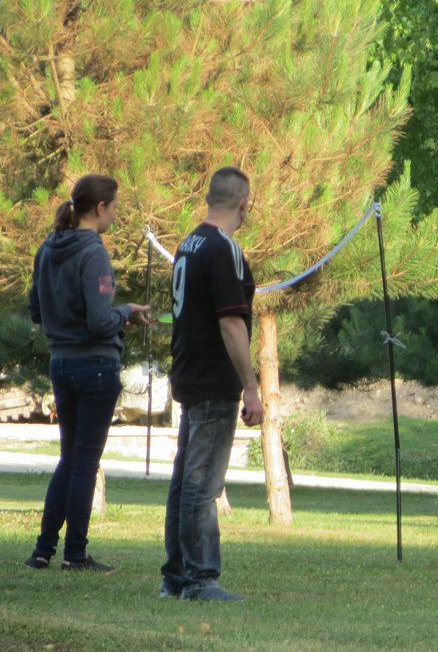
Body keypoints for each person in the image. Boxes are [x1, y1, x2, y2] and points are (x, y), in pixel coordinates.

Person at [24, 174, 152, 572]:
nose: (115, 215)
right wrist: (124, 312)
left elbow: (36, 310)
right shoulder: (93, 251)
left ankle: (42, 550)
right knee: (84, 461)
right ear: (99, 208)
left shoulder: (48, 247)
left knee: (69, 458)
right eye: (114, 207)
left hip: (60, 362)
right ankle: (75, 554)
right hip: (95, 364)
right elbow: (99, 321)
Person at [161, 166, 264, 602]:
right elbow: (231, 323)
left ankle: (175, 576)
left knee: (185, 479)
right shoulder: (223, 249)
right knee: (202, 484)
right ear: (244, 203)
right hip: (212, 379)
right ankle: (199, 578)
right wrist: (251, 386)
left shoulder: (189, 243)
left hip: (189, 371)